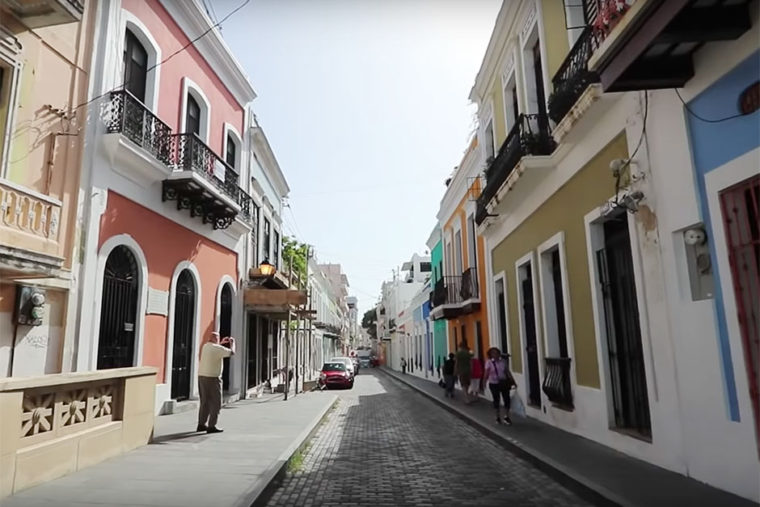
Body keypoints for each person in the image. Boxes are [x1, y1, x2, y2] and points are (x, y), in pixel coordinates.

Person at [197, 332, 235, 433]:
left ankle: (201, 424)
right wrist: (232, 343)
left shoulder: (205, 346)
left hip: (202, 376)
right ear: (216, 338)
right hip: (213, 378)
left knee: (204, 402)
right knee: (216, 403)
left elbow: (215, 348)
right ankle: (211, 426)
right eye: (218, 337)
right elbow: (232, 352)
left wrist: (220, 343)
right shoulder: (218, 349)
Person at [483, 346, 516, 425]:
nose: (495, 355)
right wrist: (484, 382)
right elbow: (486, 373)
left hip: (503, 382)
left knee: (506, 399)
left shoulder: (503, 362)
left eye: (497, 353)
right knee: (496, 399)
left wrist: (513, 381)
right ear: (490, 355)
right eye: (493, 353)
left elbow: (507, 372)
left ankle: (506, 417)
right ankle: (497, 417)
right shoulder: (489, 362)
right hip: (493, 383)